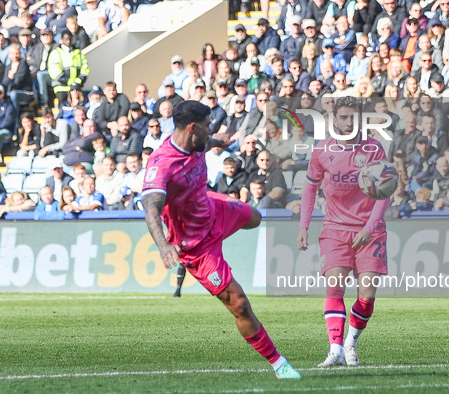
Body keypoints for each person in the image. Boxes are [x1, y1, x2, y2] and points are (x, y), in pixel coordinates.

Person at [142, 100, 300, 379]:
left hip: (214, 210)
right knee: (238, 303)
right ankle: (279, 364)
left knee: (255, 217)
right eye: (206, 126)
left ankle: (222, 202)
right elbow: (151, 208)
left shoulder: (197, 142)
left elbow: (213, 140)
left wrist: (225, 140)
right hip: (196, 247)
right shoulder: (162, 164)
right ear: (193, 128)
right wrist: (163, 245)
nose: (209, 130)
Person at [295, 96, 388, 367]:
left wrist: (369, 229)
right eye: (344, 117)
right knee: (334, 288)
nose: (349, 123)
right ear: (334, 120)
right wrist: (304, 226)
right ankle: (335, 350)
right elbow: (310, 188)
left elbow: (384, 194)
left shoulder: (373, 149)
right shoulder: (322, 149)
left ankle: (351, 343)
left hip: (370, 231)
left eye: (353, 118)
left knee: (367, 296)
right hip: (335, 229)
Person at [47, 31, 90, 106]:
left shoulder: (78, 52)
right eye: (66, 39)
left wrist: (77, 82)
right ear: (61, 40)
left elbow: (85, 68)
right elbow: (54, 71)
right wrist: (69, 82)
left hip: (76, 87)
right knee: (63, 108)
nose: (69, 41)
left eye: (70, 39)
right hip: (61, 87)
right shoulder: (56, 53)